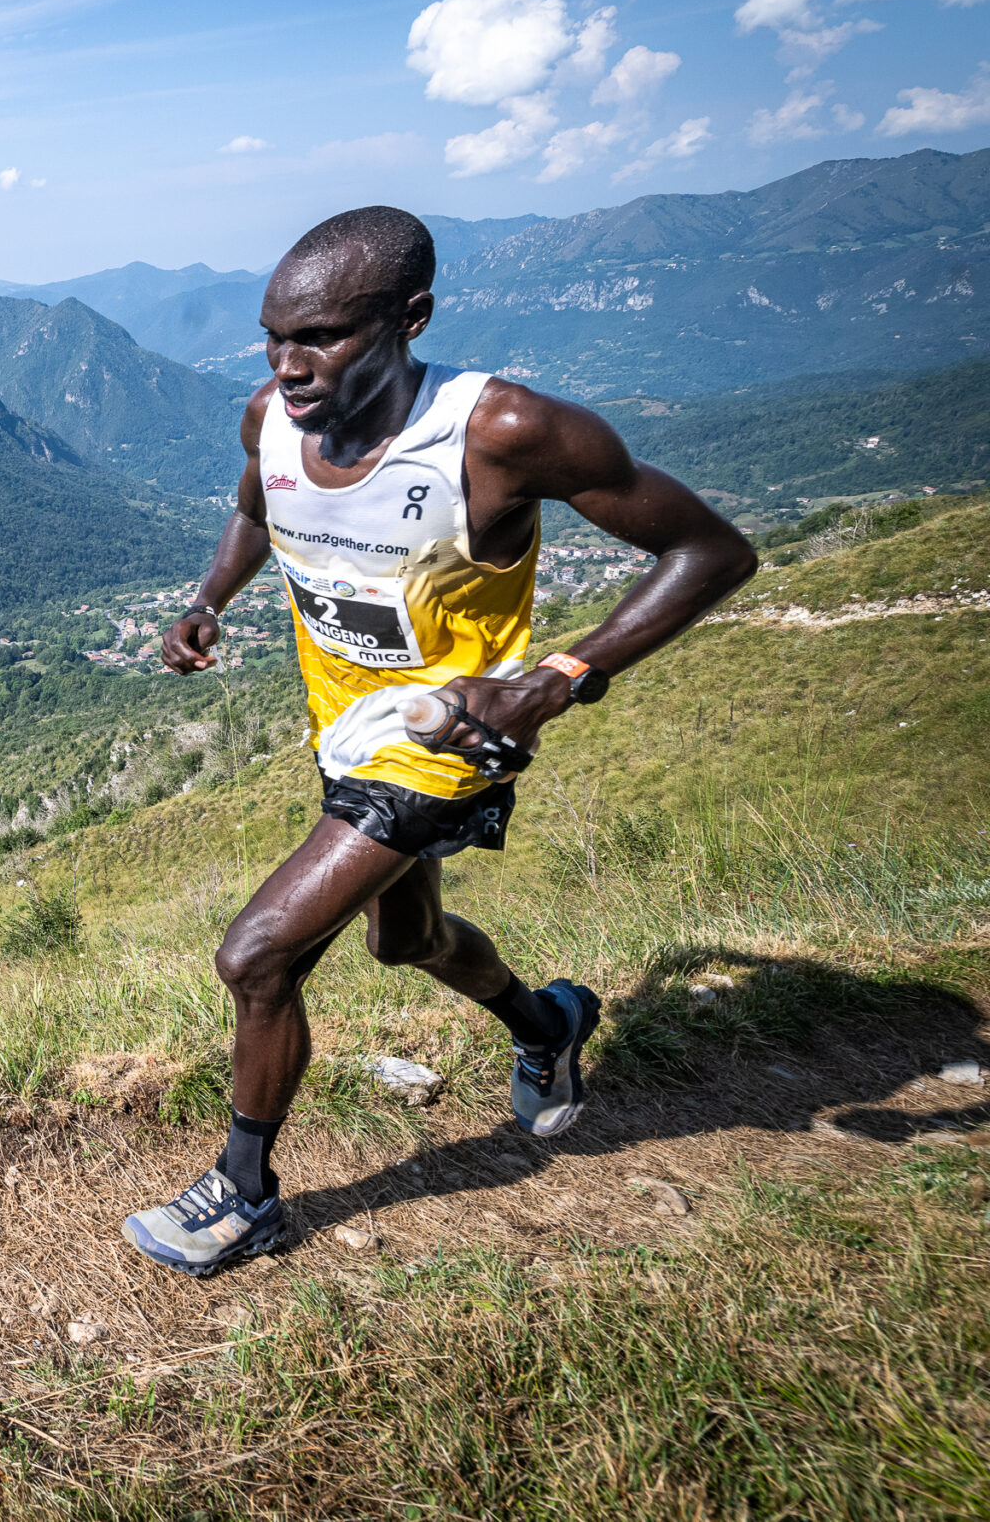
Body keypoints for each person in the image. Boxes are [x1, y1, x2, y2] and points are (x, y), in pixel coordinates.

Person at [121, 206, 757, 1278]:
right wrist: (207, 601)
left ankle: (244, 1191)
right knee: (401, 941)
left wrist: (556, 680)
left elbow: (709, 552)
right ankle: (546, 1022)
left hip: (444, 746)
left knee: (258, 954)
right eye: (275, 338)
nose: (292, 365)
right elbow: (253, 511)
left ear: (410, 317)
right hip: (341, 734)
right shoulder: (268, 418)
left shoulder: (500, 434)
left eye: (322, 337)